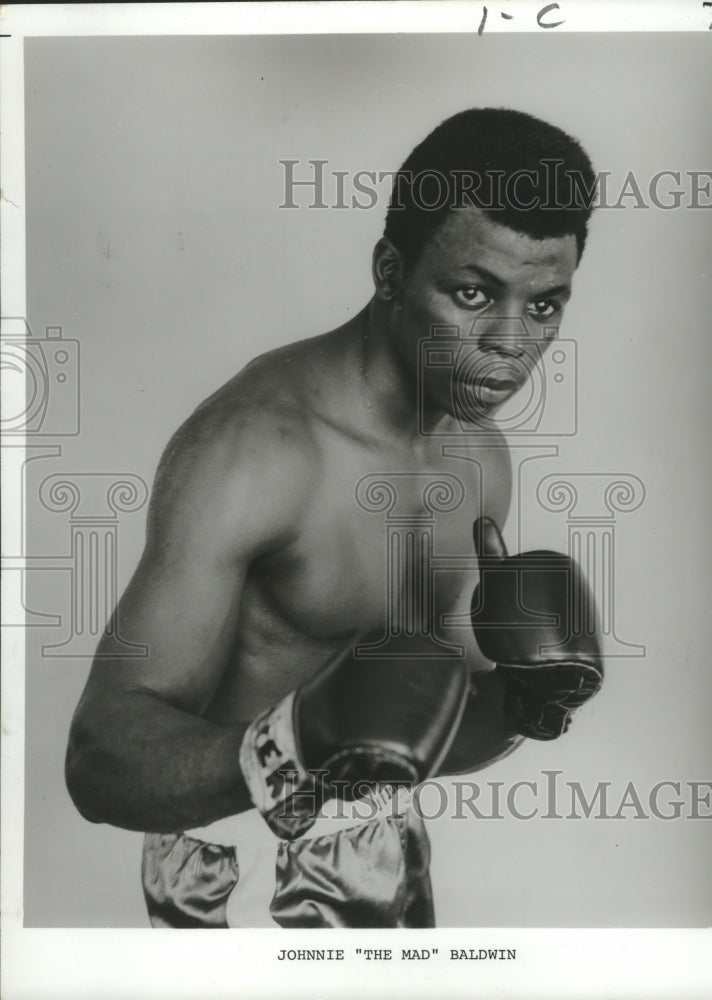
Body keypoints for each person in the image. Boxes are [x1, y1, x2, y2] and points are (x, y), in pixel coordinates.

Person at [65, 107, 604, 928]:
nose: (507, 343)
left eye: (542, 305)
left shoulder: (478, 456)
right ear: (389, 270)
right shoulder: (256, 452)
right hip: (233, 868)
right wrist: (291, 742)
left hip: (381, 846)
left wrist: (521, 705)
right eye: (471, 293)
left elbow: (414, 740)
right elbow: (99, 763)